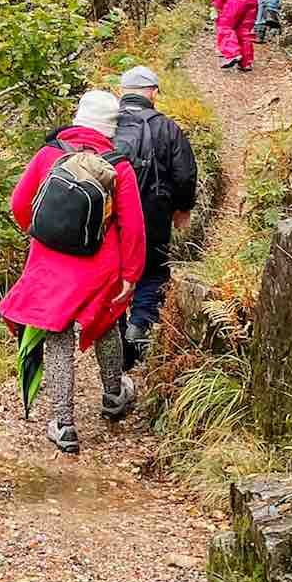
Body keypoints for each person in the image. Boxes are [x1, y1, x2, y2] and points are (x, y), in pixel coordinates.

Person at [0, 89, 147, 456]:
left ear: (79, 117)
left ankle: (63, 425)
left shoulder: (49, 155)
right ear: (111, 127)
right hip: (101, 263)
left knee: (57, 335)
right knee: (107, 323)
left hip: (51, 262)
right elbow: (134, 226)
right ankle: (114, 395)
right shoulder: (119, 165)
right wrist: (131, 274)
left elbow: (19, 204)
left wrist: (41, 233)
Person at [114, 64, 199, 369]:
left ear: (122, 93)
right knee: (153, 273)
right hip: (152, 216)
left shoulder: (105, 125)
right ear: (152, 93)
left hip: (111, 220)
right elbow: (185, 174)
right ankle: (140, 329)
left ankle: (118, 337)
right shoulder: (166, 128)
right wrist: (182, 208)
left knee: (115, 275)